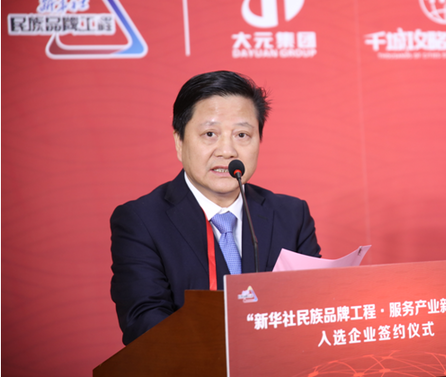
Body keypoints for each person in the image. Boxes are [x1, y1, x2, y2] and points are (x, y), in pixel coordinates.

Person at [110, 71, 321, 345]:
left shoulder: (291, 216)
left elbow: (314, 308)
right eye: (210, 134)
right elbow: (144, 321)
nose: (227, 150)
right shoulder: (142, 221)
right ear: (179, 141)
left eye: (242, 134)